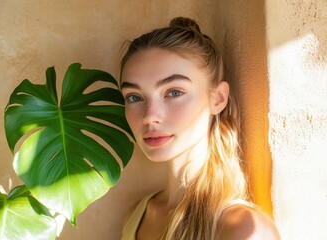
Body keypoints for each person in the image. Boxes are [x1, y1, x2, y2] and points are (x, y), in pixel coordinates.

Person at [119, 17, 280, 240]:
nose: (150, 116)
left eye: (174, 92)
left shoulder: (243, 229)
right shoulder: (137, 215)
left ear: (218, 99)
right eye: (134, 97)